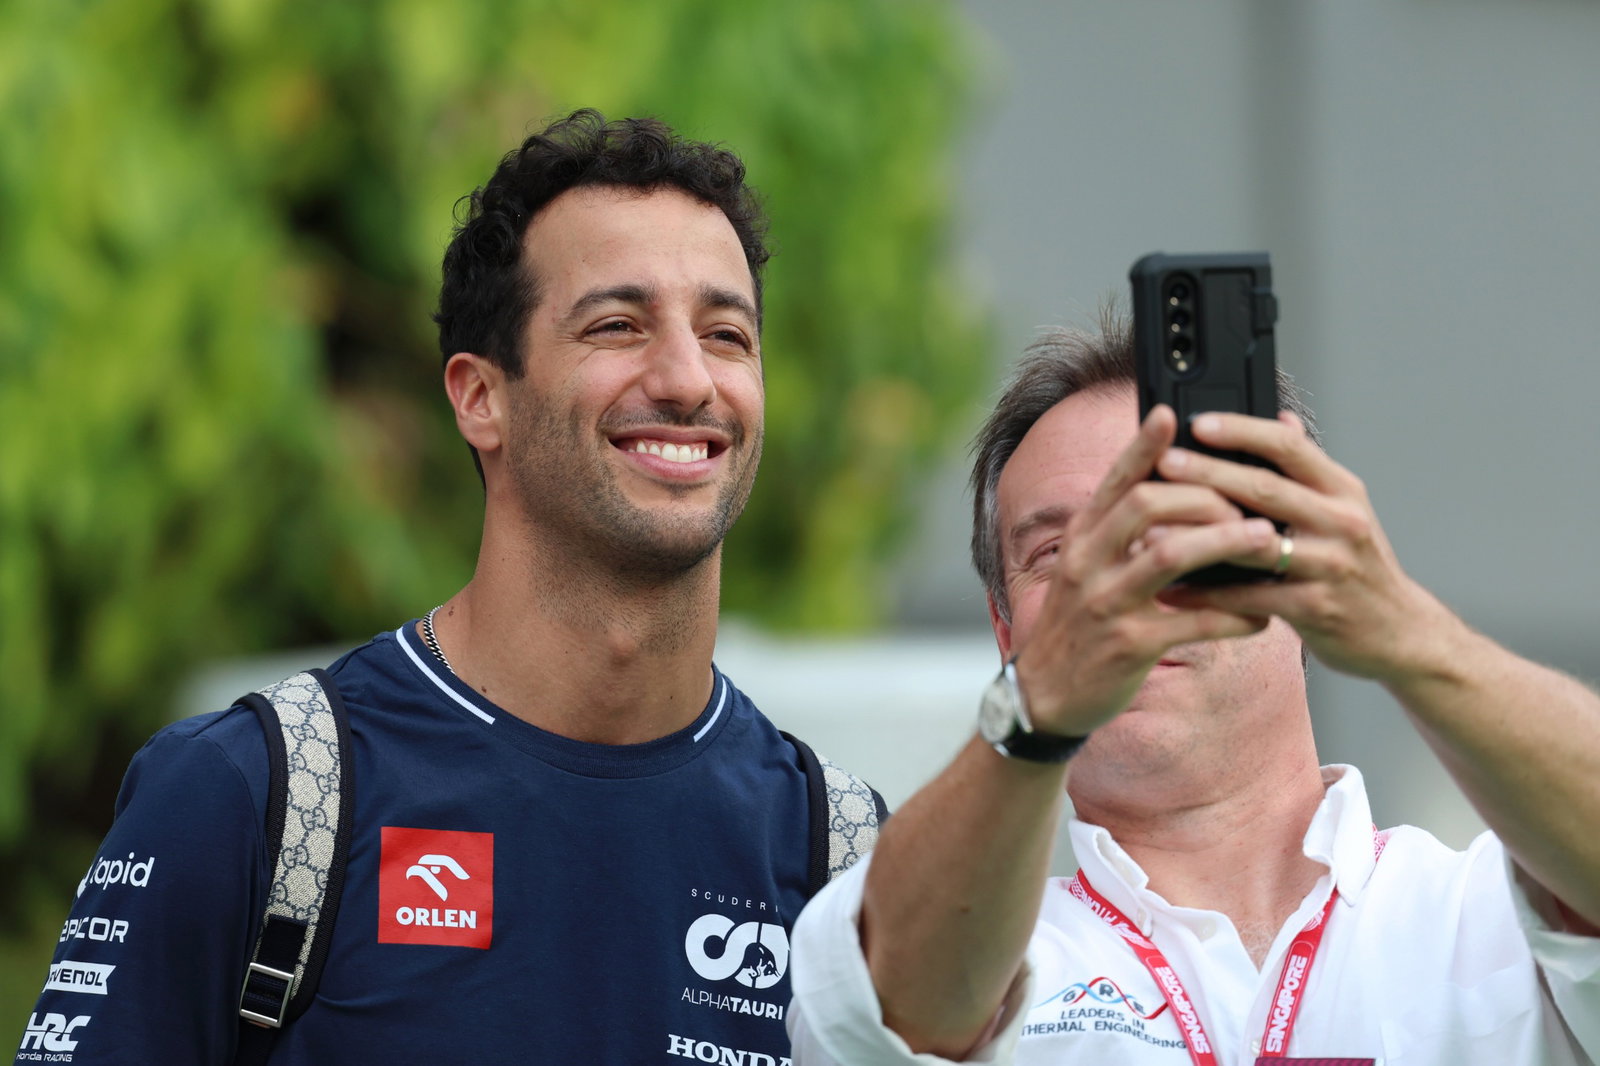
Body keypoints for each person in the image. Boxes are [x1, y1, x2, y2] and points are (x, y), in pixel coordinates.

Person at [17, 110, 882, 1065]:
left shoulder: (844, 860)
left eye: (727, 334)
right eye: (617, 325)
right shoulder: (255, 795)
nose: (687, 378)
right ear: (481, 397)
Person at [786, 314, 1600, 1065]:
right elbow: (877, 1020)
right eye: (1061, 553)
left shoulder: (1491, 915)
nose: (1124, 580)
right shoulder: (983, 938)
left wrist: (1406, 634)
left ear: (1299, 560)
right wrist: (1036, 713)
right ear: (1008, 636)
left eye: (1173, 531)